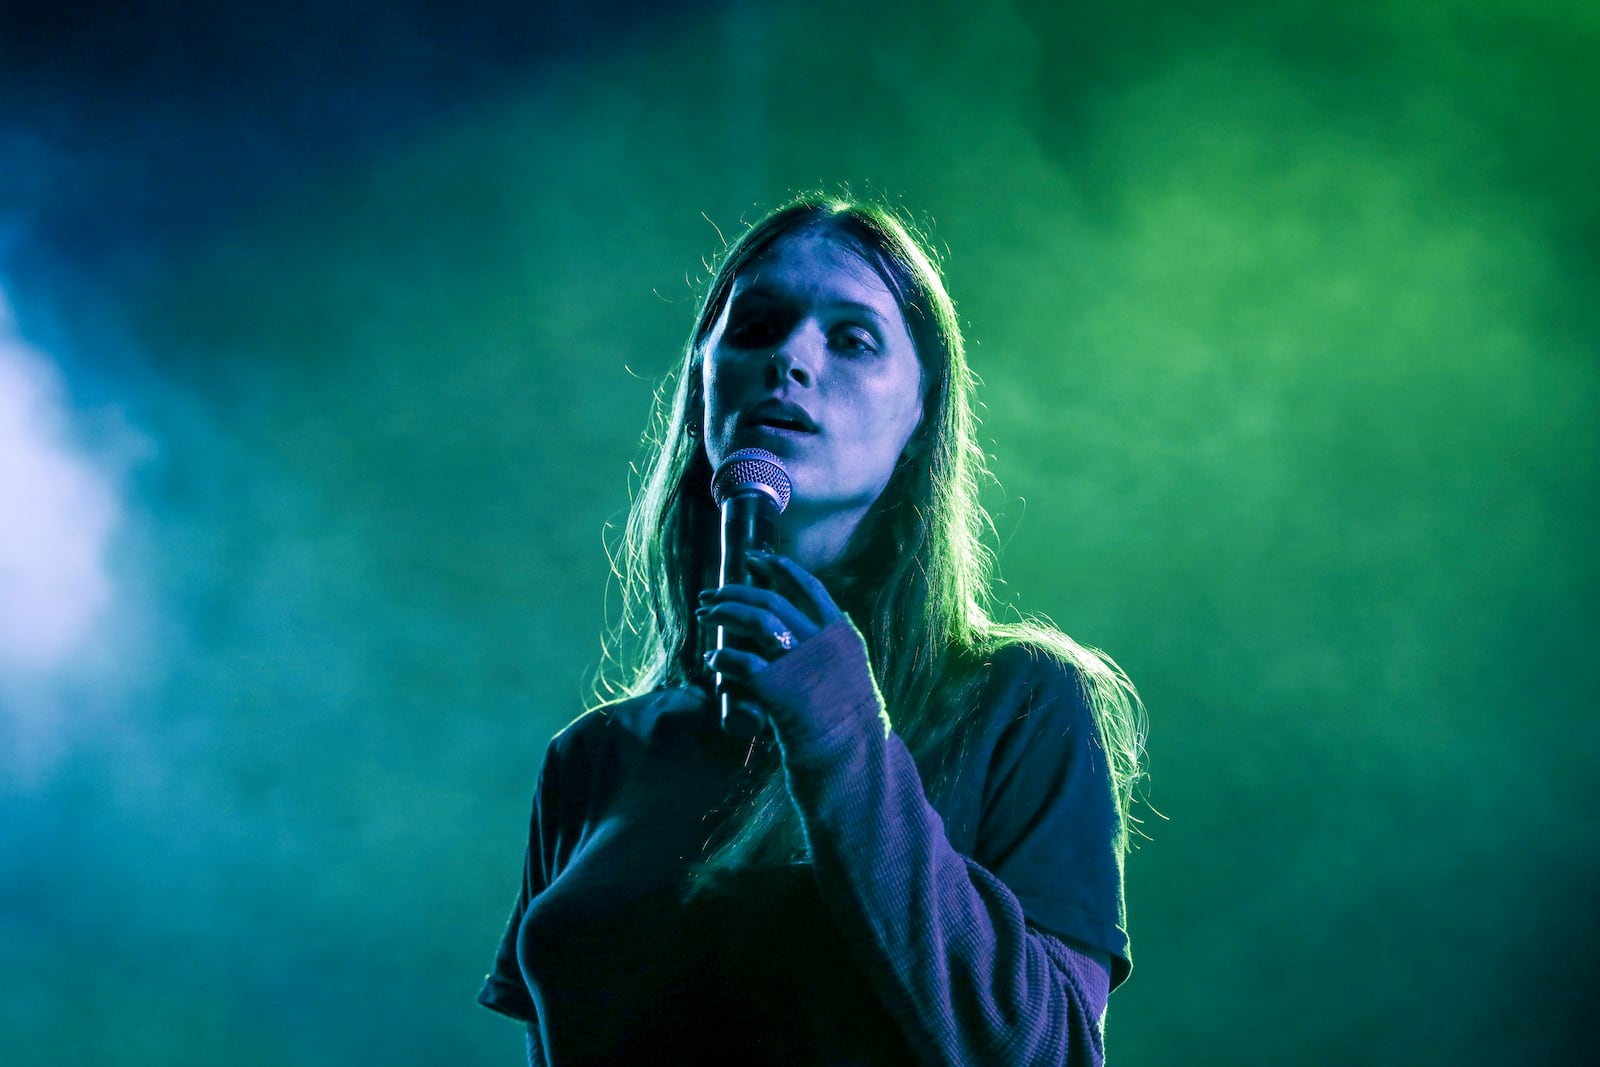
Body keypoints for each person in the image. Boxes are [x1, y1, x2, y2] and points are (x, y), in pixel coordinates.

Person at [478, 194, 1147, 1065]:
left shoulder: (1019, 703)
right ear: (702, 384)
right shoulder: (596, 757)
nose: (788, 357)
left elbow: (1050, 1051)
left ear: (920, 418)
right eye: (755, 326)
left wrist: (841, 737)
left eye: (852, 338)